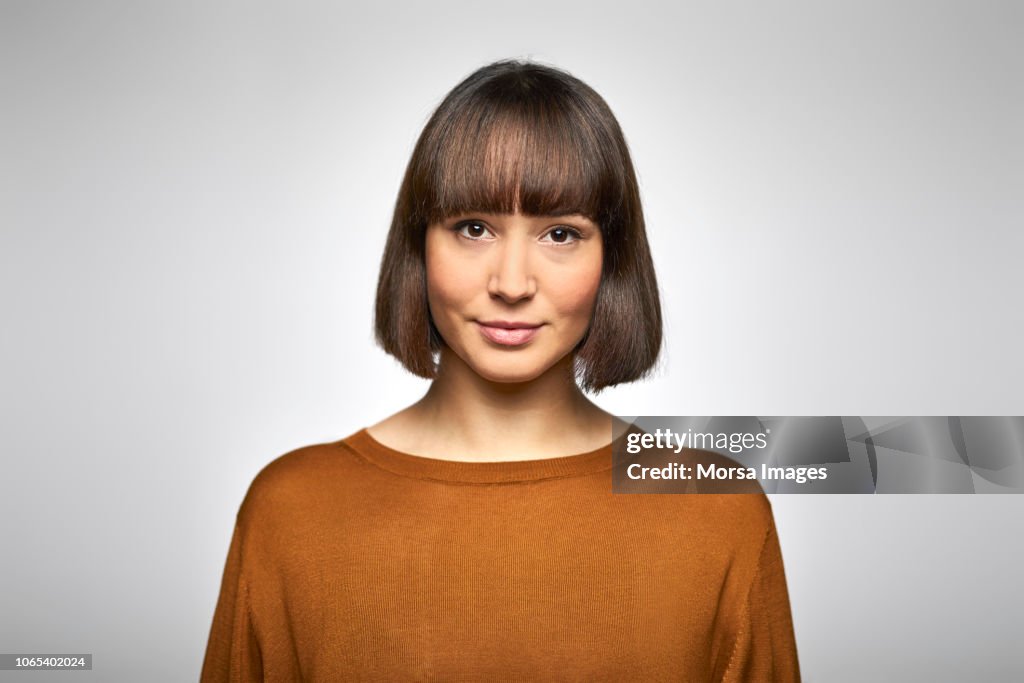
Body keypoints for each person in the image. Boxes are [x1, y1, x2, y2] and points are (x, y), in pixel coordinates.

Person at [201, 59, 801, 682]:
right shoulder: (293, 510)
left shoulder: (715, 509)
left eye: (561, 234)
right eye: (474, 227)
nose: (511, 284)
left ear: (613, 264)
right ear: (419, 248)